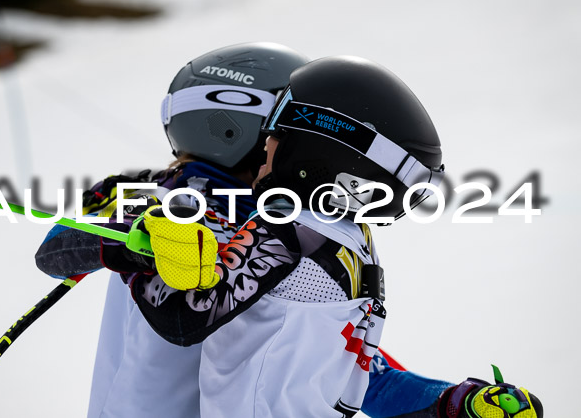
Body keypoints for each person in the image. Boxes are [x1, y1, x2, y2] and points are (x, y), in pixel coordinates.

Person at [112, 56, 543, 417]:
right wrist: (451, 404)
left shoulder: (289, 228)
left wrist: (136, 256)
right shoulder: (350, 240)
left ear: (319, 152)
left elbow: (184, 318)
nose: (264, 141)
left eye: (279, 128)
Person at [35, 42, 310, 418]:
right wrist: (134, 243)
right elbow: (54, 250)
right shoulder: (154, 195)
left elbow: (311, 335)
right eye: (288, 130)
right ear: (236, 127)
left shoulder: (286, 224)